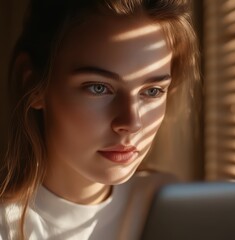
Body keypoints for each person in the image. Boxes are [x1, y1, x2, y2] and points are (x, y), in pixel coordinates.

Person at [0, 0, 198, 239]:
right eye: (98, 87)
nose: (132, 122)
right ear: (33, 84)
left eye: (153, 91)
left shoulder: (167, 205)